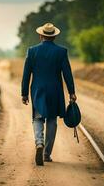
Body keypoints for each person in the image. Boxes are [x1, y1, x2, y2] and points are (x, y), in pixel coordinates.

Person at [21, 23, 77, 166]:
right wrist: (72, 92)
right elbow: (67, 74)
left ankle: (39, 143)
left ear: (41, 35)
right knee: (52, 120)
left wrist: (24, 93)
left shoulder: (32, 51)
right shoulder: (61, 52)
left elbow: (26, 74)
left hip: (38, 90)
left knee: (38, 118)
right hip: (55, 91)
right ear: (54, 36)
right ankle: (46, 154)